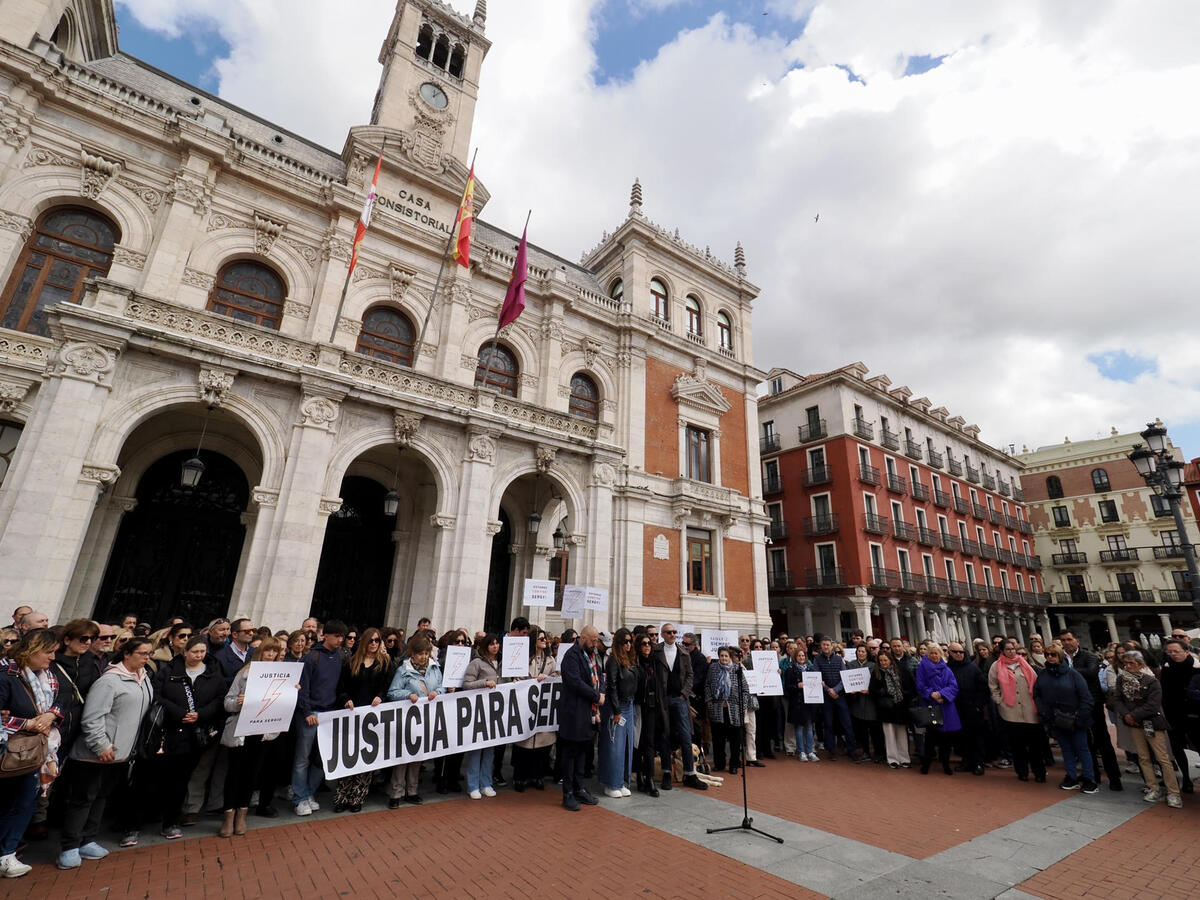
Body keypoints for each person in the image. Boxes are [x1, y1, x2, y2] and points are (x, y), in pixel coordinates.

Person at [58, 637, 154, 870]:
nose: (146, 657)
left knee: (101, 796)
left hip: (120, 753)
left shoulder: (144, 679)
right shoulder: (109, 681)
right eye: (142, 653)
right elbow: (92, 717)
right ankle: (69, 846)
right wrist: (101, 745)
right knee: (83, 799)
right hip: (94, 753)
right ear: (127, 654)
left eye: (149, 653)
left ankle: (88, 839)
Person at [0, 629, 63, 878]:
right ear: (32, 650)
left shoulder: (48, 677)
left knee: (25, 801)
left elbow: (61, 702)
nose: (53, 657)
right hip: (9, 753)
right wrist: (26, 723)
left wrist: (49, 715)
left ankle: (7, 851)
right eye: (48, 652)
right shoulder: (7, 676)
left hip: (35, 753)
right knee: (9, 802)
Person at [155, 636, 225, 841]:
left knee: (183, 778)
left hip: (197, 733)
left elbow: (219, 699)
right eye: (195, 651)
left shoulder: (213, 674)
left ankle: (171, 820)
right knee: (161, 776)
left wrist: (201, 714)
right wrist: (178, 712)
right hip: (169, 730)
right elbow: (158, 695)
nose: (199, 655)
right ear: (185, 652)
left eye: (202, 652)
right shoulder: (169, 672)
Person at [219, 636, 286, 836]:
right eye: (268, 651)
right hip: (241, 730)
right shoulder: (245, 673)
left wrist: (292, 692)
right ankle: (228, 817)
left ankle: (242, 814)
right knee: (234, 774)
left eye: (275, 653)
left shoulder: (281, 675)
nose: (271, 655)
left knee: (252, 774)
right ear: (260, 652)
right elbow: (227, 702)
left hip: (262, 732)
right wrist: (238, 702)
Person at [1108, 650, 1181, 808]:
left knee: (1162, 758)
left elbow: (1153, 704)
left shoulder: (1151, 680)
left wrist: (1133, 715)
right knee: (1143, 757)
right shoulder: (1122, 679)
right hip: (1133, 724)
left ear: (1141, 664)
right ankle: (1153, 787)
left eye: (1131, 663)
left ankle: (1173, 792)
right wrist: (1127, 715)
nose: (1127, 666)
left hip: (1151, 722)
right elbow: (1118, 699)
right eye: (1125, 663)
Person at [331, 627, 391, 812]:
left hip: (372, 716)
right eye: (371, 640)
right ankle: (342, 796)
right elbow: (341, 687)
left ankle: (357, 796)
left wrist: (381, 697)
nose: (374, 644)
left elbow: (386, 687)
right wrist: (345, 699)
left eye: (377, 640)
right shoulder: (351, 663)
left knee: (365, 756)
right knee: (348, 754)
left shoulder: (385, 663)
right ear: (364, 642)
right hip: (352, 712)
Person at [292, 620, 347, 816]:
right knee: (303, 758)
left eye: (342, 636)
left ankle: (308, 793)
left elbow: (339, 685)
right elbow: (303, 687)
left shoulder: (340, 657)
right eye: (337, 636)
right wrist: (306, 711)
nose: (340, 640)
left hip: (329, 713)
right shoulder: (311, 657)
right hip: (311, 713)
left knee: (322, 758)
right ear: (326, 636)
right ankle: (300, 797)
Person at [1061, 630, 1123, 791]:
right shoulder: (1062, 658)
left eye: (1069, 639)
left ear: (1077, 641)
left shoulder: (1089, 657)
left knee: (1102, 740)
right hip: (1073, 704)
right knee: (1084, 742)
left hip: (1092, 702)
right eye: (1063, 640)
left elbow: (1091, 672)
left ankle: (1114, 776)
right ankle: (1092, 773)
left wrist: (1067, 671)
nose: (1066, 642)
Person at [385, 633, 441, 807]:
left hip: (426, 717)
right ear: (413, 654)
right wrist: (408, 695)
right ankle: (396, 792)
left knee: (418, 756)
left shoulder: (435, 667)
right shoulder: (403, 670)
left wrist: (437, 692)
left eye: (426, 653)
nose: (424, 657)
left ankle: (412, 790)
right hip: (407, 718)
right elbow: (393, 692)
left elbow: (442, 686)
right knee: (403, 756)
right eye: (420, 654)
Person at [1033, 645, 1096, 793]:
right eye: (1047, 654)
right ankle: (1071, 776)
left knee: (1082, 749)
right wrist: (1044, 712)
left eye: (1053, 655)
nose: (1050, 657)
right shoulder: (1043, 675)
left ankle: (1088, 778)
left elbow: (1086, 697)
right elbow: (1037, 694)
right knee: (1066, 749)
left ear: (1060, 656)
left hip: (1075, 718)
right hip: (1055, 719)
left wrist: (1080, 717)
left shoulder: (1073, 674)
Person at [651, 623, 706, 790]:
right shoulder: (656, 651)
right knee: (665, 735)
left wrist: (684, 693)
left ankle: (690, 773)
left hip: (680, 698)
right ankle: (667, 772)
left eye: (674, 632)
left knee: (686, 735)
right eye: (669, 632)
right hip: (663, 699)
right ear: (662, 634)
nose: (672, 634)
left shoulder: (683, 651)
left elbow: (690, 674)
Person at [989, 638, 1046, 783]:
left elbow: (1035, 681)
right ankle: (1022, 771)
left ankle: (1039, 771)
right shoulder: (996, 666)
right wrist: (999, 701)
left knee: (1035, 745)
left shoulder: (1024, 663)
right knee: (1017, 744)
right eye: (1008, 649)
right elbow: (993, 686)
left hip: (1030, 709)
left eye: (1013, 648)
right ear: (1002, 651)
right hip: (1010, 711)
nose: (1011, 651)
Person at [558, 625, 603, 811]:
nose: (595, 645)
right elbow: (575, 682)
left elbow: (599, 677)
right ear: (583, 638)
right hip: (574, 712)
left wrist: (602, 692)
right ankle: (567, 792)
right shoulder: (571, 657)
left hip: (589, 713)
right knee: (570, 753)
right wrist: (595, 696)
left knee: (582, 752)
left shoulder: (592, 656)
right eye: (592, 641)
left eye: (596, 642)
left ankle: (579, 787)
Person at [513, 628, 558, 792]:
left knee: (542, 747)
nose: (544, 641)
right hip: (526, 705)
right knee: (523, 745)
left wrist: (548, 678)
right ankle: (520, 777)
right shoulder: (524, 659)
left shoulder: (550, 660)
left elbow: (556, 676)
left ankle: (537, 776)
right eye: (541, 638)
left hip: (543, 708)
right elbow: (516, 676)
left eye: (545, 638)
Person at [462, 633, 503, 799]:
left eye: (497, 643)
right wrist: (484, 683)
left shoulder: (502, 663)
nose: (495, 646)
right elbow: (466, 685)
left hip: (495, 712)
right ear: (485, 646)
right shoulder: (476, 663)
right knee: (476, 749)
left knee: (489, 750)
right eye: (492, 644)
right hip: (479, 711)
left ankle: (486, 783)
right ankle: (473, 785)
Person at [599, 628, 638, 798]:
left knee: (626, 745)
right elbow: (612, 686)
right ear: (619, 643)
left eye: (630, 641)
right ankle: (611, 783)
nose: (628, 644)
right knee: (614, 745)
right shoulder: (613, 661)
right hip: (617, 706)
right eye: (625, 641)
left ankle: (622, 781)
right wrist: (616, 710)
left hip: (629, 704)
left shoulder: (630, 660)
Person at [1159, 637, 1198, 794]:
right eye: (1170, 652)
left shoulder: (1196, 668)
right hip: (1173, 715)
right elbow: (1165, 692)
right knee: (1177, 748)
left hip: (1195, 715)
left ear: (1187, 651)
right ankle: (1186, 779)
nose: (1173, 654)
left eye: (1177, 651)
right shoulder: (1167, 669)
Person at [915, 643, 960, 775]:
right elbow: (920, 685)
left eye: (936, 653)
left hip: (946, 706)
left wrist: (943, 695)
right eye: (932, 653)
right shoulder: (922, 668)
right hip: (931, 705)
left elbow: (953, 686)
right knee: (930, 738)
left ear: (941, 654)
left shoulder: (947, 669)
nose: (934, 656)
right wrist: (931, 694)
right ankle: (926, 764)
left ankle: (946, 764)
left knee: (946, 739)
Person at [705, 646, 751, 774]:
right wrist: (709, 702)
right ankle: (719, 764)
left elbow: (745, 689)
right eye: (721, 656)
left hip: (734, 710)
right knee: (718, 739)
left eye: (726, 656)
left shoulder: (737, 669)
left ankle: (734, 765)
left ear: (730, 657)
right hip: (717, 708)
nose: (724, 658)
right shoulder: (713, 668)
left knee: (735, 740)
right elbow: (708, 685)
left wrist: (743, 705)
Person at [946, 641, 988, 775]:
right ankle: (966, 761)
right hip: (955, 709)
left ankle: (978, 763)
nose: (959, 654)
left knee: (976, 738)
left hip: (972, 709)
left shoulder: (972, 668)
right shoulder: (947, 669)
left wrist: (978, 706)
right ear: (949, 653)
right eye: (955, 652)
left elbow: (983, 688)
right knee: (961, 738)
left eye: (961, 652)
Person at [814, 638, 858, 760]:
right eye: (823, 645)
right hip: (827, 696)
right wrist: (828, 690)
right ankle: (831, 750)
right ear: (821, 646)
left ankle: (851, 750)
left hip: (840, 696)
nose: (825, 647)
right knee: (828, 724)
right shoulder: (817, 659)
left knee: (847, 723)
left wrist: (836, 690)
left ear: (831, 646)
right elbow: (817, 676)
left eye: (827, 645)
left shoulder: (839, 659)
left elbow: (844, 676)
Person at [871, 647, 914, 768]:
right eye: (881, 661)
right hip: (886, 708)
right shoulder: (876, 673)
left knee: (901, 733)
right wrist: (883, 692)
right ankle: (892, 758)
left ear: (890, 660)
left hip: (900, 706)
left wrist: (904, 695)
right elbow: (872, 690)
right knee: (889, 734)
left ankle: (904, 757)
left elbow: (910, 686)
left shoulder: (901, 671)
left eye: (885, 660)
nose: (883, 663)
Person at [633, 632, 664, 796]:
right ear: (638, 646)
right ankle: (639, 776)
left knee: (650, 743)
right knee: (638, 743)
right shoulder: (634, 664)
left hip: (652, 707)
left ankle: (650, 778)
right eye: (644, 643)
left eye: (649, 644)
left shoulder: (654, 663)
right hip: (638, 706)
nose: (647, 646)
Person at [847, 644, 882, 763]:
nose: (861, 653)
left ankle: (878, 752)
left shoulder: (873, 666)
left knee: (874, 730)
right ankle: (865, 752)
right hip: (857, 701)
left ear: (867, 653)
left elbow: (877, 683)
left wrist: (870, 691)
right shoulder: (851, 665)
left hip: (870, 701)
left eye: (863, 651)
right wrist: (849, 689)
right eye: (859, 651)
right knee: (860, 730)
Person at [784, 646, 819, 762]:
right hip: (797, 703)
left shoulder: (811, 670)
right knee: (798, 728)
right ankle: (802, 751)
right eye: (799, 655)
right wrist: (796, 686)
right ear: (795, 657)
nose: (801, 657)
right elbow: (787, 687)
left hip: (809, 703)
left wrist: (820, 684)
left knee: (809, 727)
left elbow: (816, 684)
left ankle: (810, 751)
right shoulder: (790, 670)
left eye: (803, 655)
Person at [214, 619, 255, 684]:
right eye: (247, 631)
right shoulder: (220, 657)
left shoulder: (256, 653)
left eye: (253, 630)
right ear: (235, 634)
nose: (251, 633)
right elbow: (217, 683)